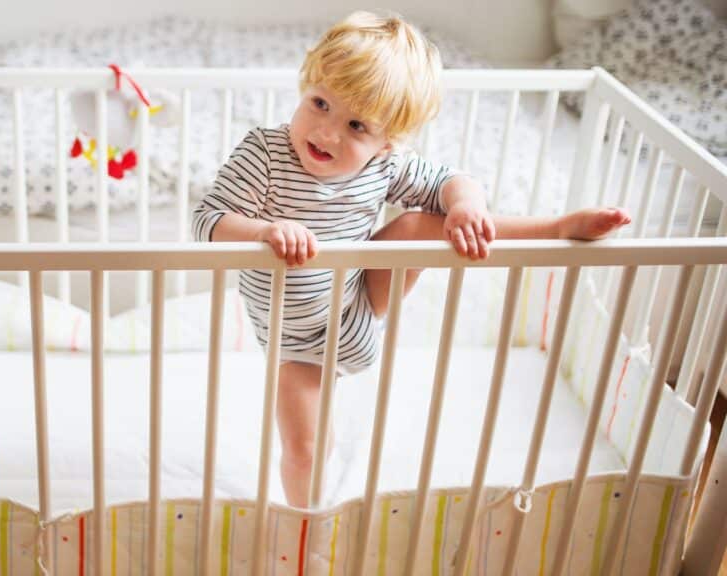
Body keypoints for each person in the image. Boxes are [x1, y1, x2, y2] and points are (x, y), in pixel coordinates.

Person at [191, 11, 631, 508]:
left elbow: (451, 180)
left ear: (387, 142)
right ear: (305, 86)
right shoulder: (265, 155)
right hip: (298, 345)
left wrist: (466, 204)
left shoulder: (383, 167)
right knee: (305, 449)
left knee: (427, 224)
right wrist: (265, 230)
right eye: (319, 104)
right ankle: (305, 524)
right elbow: (207, 221)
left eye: (356, 125)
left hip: (359, 304)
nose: (327, 133)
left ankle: (555, 229)